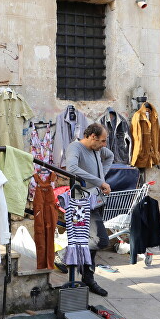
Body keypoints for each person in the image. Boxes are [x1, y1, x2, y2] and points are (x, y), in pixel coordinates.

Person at [65, 123, 113, 297]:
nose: (104, 145)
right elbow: (71, 168)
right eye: (102, 141)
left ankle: (87, 277)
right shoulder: (75, 147)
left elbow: (110, 156)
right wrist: (100, 182)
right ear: (92, 137)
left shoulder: (98, 149)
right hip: (83, 202)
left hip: (98, 200)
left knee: (91, 240)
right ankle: (65, 254)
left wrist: (101, 178)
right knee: (100, 240)